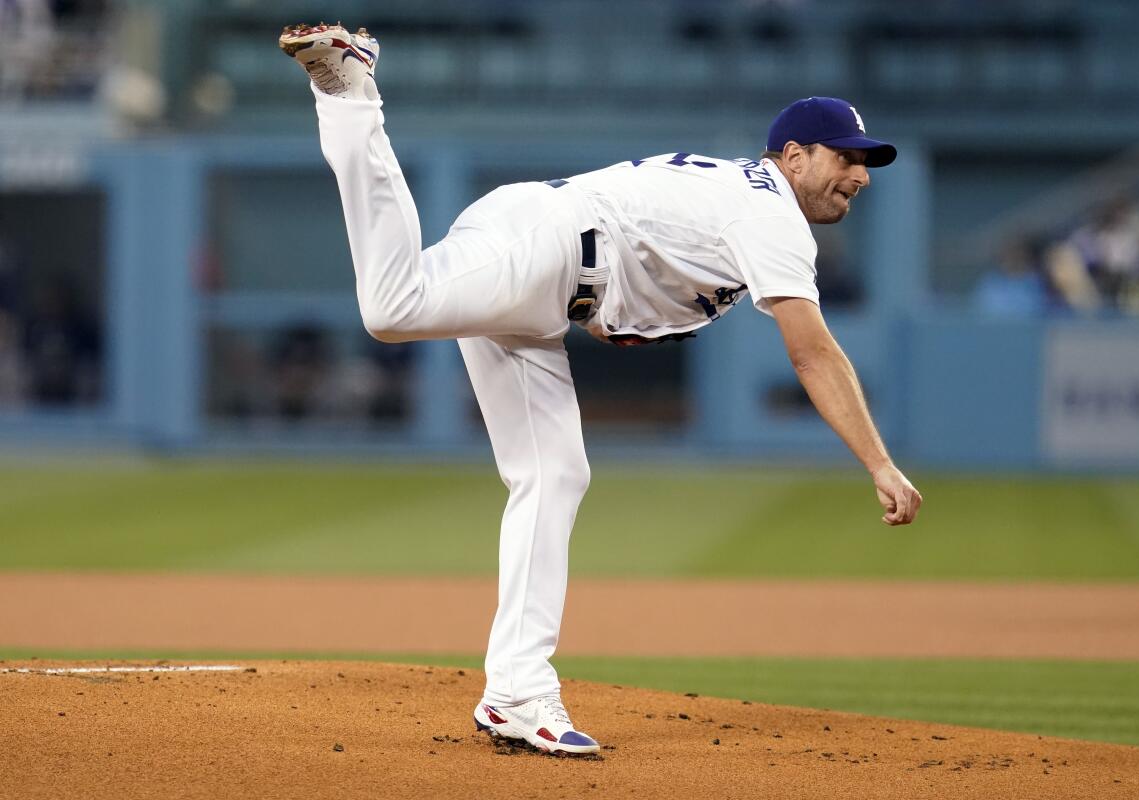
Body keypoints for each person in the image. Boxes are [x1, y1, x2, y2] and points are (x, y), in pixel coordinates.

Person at [279, 22, 923, 756]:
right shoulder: (772, 211)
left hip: (547, 281)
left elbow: (643, 299)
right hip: (547, 248)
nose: (862, 174)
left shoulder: (741, 200)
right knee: (393, 308)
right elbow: (812, 353)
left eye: (868, 162)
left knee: (554, 474)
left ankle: (517, 694)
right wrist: (878, 461)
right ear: (794, 156)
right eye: (848, 157)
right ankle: (351, 89)